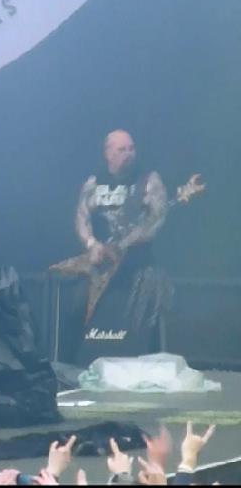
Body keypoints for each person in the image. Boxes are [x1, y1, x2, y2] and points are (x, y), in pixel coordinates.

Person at [64, 129, 171, 363]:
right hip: (102, 270)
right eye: (122, 149)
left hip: (138, 271)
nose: (129, 154)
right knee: (79, 311)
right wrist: (91, 243)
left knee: (136, 333)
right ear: (108, 153)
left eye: (131, 148)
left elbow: (155, 220)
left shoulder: (148, 181)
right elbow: (81, 217)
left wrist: (125, 244)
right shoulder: (94, 183)